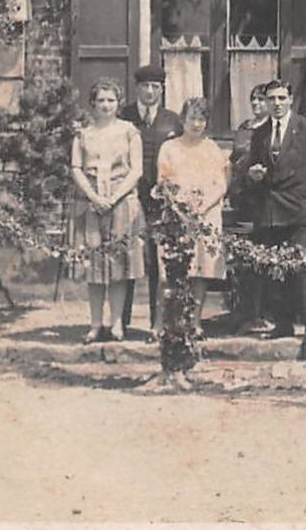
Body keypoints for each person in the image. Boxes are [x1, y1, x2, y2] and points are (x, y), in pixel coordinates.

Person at [237, 78, 306, 356]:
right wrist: (254, 177)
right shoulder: (260, 133)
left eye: (281, 98)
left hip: (298, 207)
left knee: (300, 267)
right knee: (275, 268)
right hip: (269, 209)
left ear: (291, 99)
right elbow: (253, 172)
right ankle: (283, 323)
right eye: (271, 99)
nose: (276, 104)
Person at [71, 78, 147, 344]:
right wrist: (93, 196)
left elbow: (136, 169)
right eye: (101, 100)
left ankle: (116, 323)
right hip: (91, 202)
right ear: (93, 103)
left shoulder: (129, 131)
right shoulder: (83, 134)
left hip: (121, 201)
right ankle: (94, 324)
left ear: (118, 103)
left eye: (111, 100)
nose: (106, 105)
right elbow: (76, 168)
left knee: (118, 265)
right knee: (93, 266)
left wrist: (114, 197)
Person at [153, 97, 229, 338]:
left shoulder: (211, 148)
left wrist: (203, 207)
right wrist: (181, 209)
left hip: (205, 217)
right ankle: (161, 325)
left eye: (201, 119)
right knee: (169, 274)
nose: (196, 124)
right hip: (176, 217)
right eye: (192, 118)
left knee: (200, 271)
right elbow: (163, 181)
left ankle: (194, 323)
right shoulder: (170, 147)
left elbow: (221, 184)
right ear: (182, 120)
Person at [118, 64, 183, 339]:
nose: (149, 91)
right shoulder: (124, 116)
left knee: (159, 261)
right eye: (145, 86)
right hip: (129, 196)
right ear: (138, 88)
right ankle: (121, 322)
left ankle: (158, 324)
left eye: (155, 86)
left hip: (160, 200)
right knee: (126, 255)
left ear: (162, 89)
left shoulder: (173, 121)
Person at [228, 82, 271, 332]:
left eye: (261, 99)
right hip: (241, 198)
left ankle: (263, 311)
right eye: (253, 99)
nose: (256, 104)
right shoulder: (244, 129)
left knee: (263, 255)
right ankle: (244, 311)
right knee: (244, 257)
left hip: (262, 199)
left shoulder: (270, 129)